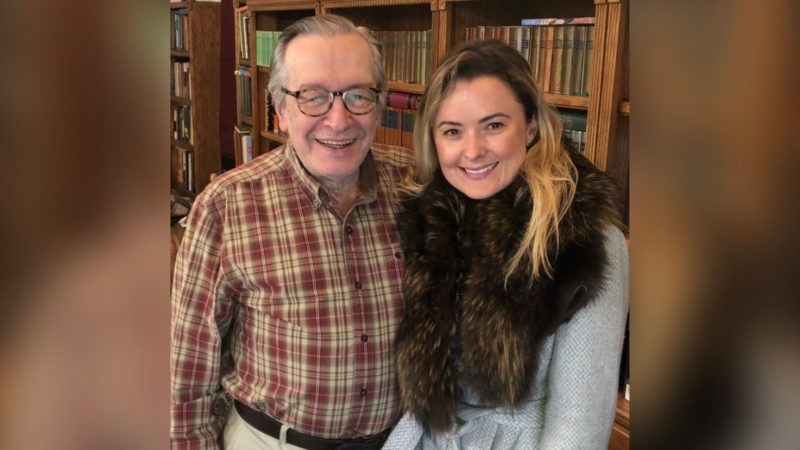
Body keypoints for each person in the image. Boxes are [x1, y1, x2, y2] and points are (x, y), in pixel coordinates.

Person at [170, 15, 413, 450]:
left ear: (380, 103)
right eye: (313, 97)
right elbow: (186, 369)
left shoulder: (418, 186)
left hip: (403, 441)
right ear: (280, 109)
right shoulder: (227, 204)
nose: (338, 120)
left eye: (357, 95)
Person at [382, 39, 630, 449]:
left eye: (494, 125)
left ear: (530, 125)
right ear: (434, 139)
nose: (473, 150)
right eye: (452, 131)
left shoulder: (584, 238)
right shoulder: (429, 219)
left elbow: (579, 424)